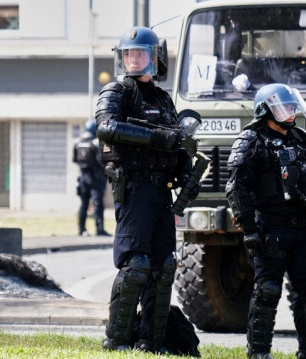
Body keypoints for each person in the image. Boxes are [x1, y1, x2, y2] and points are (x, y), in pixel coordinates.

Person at [95, 26, 196, 353]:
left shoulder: (164, 99)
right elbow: (106, 127)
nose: (133, 59)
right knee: (136, 265)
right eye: (129, 54)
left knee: (164, 265)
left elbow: (176, 140)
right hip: (134, 189)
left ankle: (151, 343)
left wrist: (185, 168)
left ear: (155, 58)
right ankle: (117, 341)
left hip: (162, 193)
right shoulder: (117, 92)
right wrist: (157, 137)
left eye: (140, 54)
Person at [226, 84, 306, 359]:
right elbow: (236, 188)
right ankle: (259, 353)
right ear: (265, 110)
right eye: (284, 107)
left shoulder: (301, 139)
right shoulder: (251, 140)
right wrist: (250, 229)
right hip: (270, 228)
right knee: (267, 291)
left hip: (302, 228)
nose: (290, 113)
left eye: (292, 107)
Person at [73, 119, 111, 237]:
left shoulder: (78, 143)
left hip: (83, 177)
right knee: (97, 203)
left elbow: (74, 160)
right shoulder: (95, 143)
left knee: (84, 203)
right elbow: (100, 161)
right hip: (95, 178)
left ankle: (81, 229)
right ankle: (99, 229)